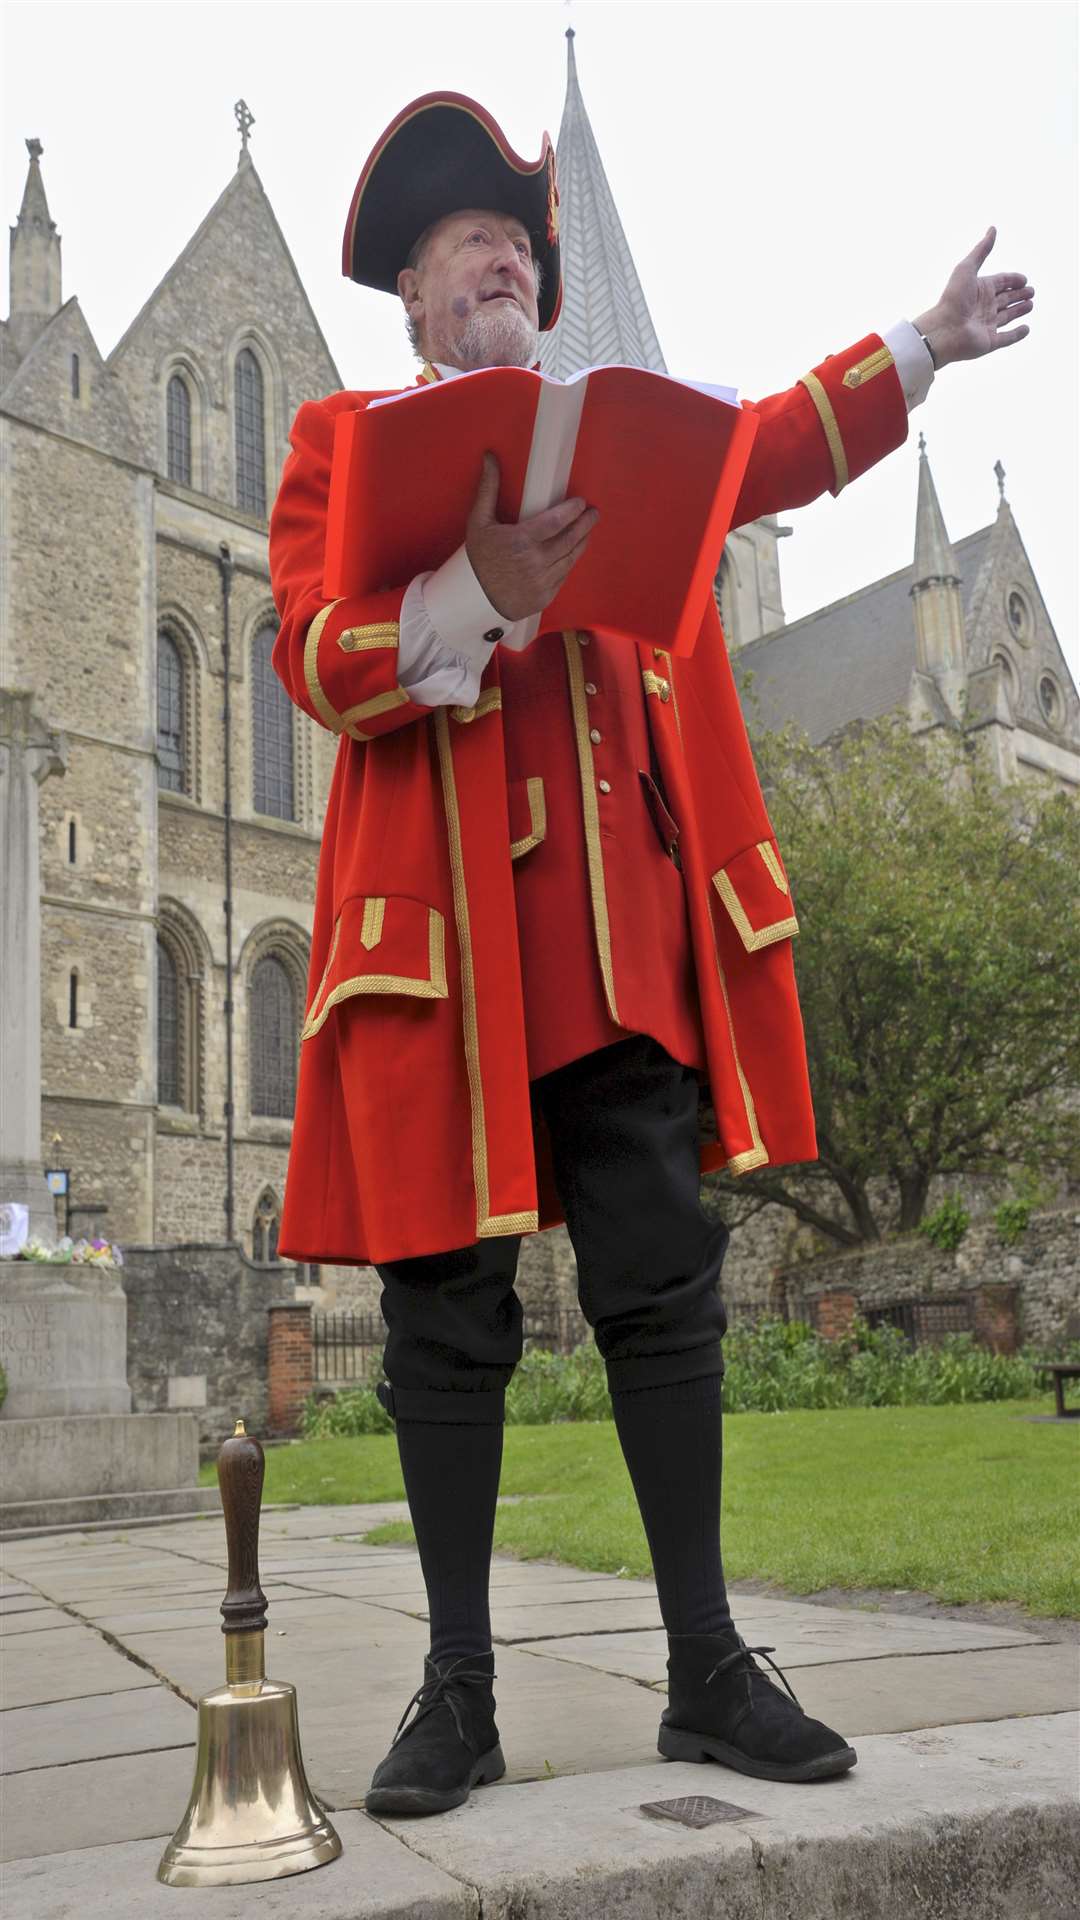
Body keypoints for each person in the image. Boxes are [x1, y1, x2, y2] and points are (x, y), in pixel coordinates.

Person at [268, 91, 1034, 1818]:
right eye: (469, 258)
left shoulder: (623, 431)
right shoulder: (339, 442)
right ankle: (455, 1692)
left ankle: (706, 1665)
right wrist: (465, 586)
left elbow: (763, 445)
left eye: (518, 254)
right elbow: (314, 656)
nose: (502, 272)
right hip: (446, 960)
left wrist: (920, 345)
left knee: (664, 1285)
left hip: (616, 943)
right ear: (412, 302)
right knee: (445, 1319)